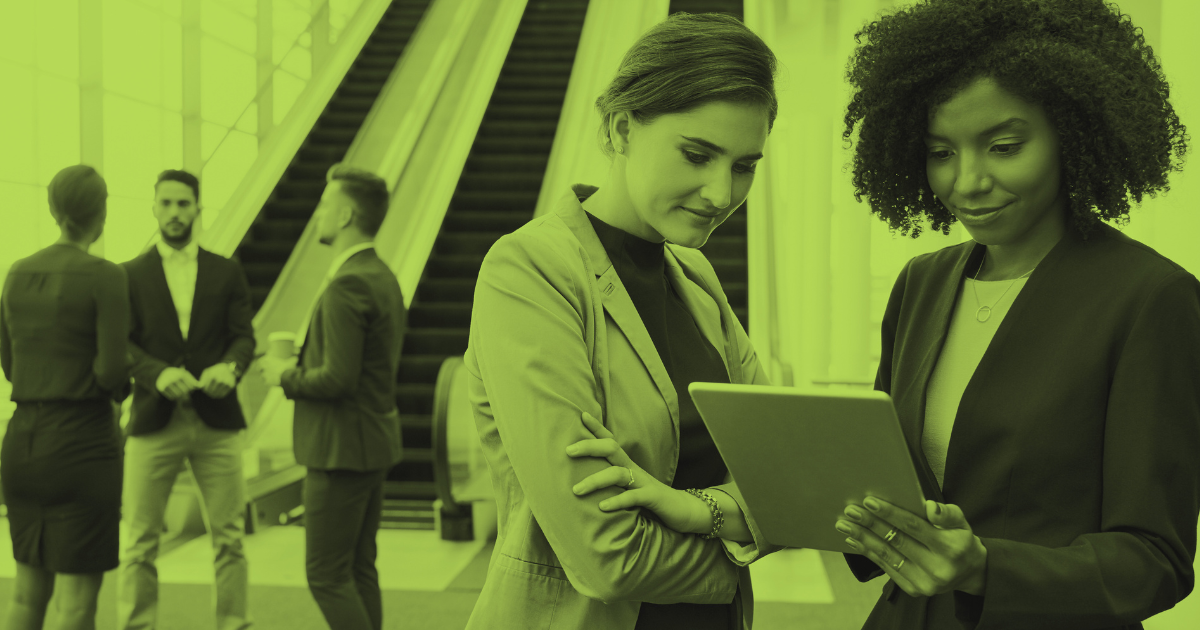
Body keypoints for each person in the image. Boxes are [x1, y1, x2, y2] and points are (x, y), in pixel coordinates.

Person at [596, 1, 1200, 628]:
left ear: (1073, 134)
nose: (967, 181)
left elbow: (1154, 559)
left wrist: (985, 567)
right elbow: (879, 494)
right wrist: (711, 511)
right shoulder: (925, 284)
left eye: (1004, 146)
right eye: (942, 152)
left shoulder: (1149, 298)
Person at [464, 13, 783, 630]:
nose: (721, 192)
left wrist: (696, 511)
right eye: (697, 154)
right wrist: (734, 554)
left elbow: (783, 476)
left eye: (744, 165)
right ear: (619, 128)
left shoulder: (696, 280)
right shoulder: (532, 269)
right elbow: (604, 558)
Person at [258, 164, 406, 630]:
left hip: (340, 450)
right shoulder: (381, 275)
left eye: (324, 206)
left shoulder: (347, 284)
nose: (317, 215)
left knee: (325, 575)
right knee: (360, 567)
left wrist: (284, 374)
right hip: (371, 443)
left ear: (344, 215)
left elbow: (336, 380)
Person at [116, 169, 255, 630]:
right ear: (154, 208)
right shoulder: (130, 274)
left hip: (216, 423)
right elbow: (121, 344)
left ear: (198, 208)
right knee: (138, 541)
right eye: (167, 203)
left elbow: (243, 339)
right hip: (154, 421)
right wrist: (156, 375)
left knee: (230, 538)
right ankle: (138, 625)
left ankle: (232, 624)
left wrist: (230, 369)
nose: (175, 212)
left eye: (184, 203)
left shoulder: (226, 269)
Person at [1, 164, 130, 630]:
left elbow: (11, 364)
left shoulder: (17, 273)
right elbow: (112, 370)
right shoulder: (105, 275)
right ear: (102, 213)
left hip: (23, 444)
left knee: (26, 593)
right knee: (76, 603)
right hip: (83, 444)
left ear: (54, 209)